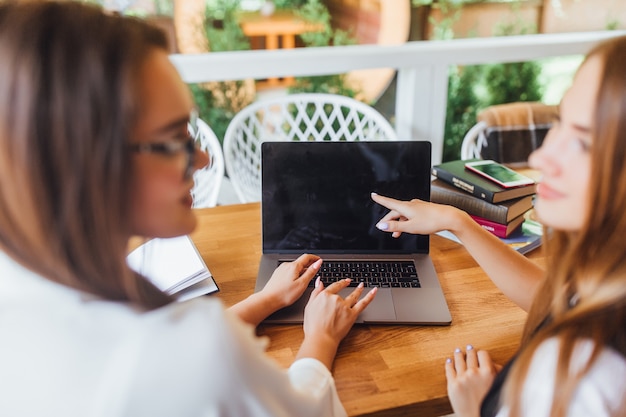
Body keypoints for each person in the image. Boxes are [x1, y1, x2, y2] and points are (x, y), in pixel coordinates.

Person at [0, 2, 376, 416]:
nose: (203, 160)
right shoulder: (187, 355)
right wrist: (320, 340)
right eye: (174, 139)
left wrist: (265, 301)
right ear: (89, 161)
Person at [371, 35, 626, 417]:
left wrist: (476, 408)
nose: (541, 156)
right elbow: (556, 302)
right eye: (560, 124)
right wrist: (456, 221)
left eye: (586, 143)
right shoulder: (607, 289)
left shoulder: (583, 380)